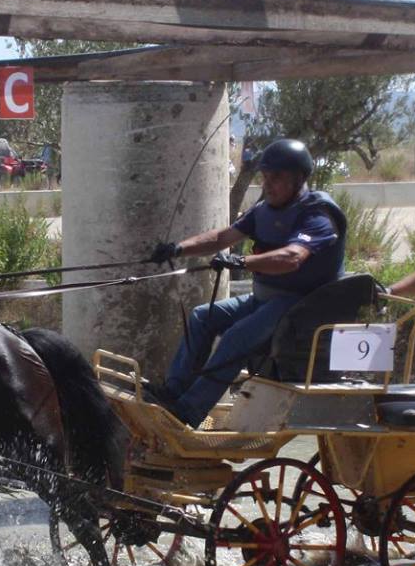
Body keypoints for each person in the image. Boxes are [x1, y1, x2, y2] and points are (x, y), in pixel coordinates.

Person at [145, 139, 346, 426]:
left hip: (301, 307)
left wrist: (241, 262)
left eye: (277, 178)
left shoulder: (318, 215)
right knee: (202, 316)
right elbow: (222, 238)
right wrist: (178, 249)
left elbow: (292, 257)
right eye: (265, 177)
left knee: (236, 337)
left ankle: (189, 411)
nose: (268, 184)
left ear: (298, 178)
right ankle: (173, 392)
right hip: (264, 299)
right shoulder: (264, 210)